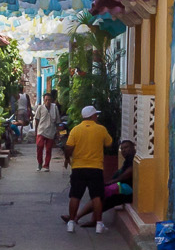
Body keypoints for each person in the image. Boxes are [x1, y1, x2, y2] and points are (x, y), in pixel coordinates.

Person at [63, 104, 112, 233]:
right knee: (96, 196)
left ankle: (71, 223)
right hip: (95, 168)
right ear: (93, 116)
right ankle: (99, 224)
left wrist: (67, 158)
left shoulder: (75, 130)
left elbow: (68, 147)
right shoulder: (101, 129)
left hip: (78, 167)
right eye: (96, 115)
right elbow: (109, 143)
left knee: (75, 195)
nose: (97, 117)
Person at [75, 139, 138, 229]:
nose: (124, 150)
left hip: (128, 190)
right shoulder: (128, 159)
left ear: (133, 147)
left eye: (126, 147)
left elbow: (129, 172)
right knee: (101, 195)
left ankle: (78, 217)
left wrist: (114, 181)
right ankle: (90, 219)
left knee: (102, 193)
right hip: (124, 188)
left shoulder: (132, 158)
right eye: (122, 148)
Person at [33, 94, 62, 172]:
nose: (48, 101)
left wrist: (58, 132)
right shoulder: (40, 108)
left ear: (51, 100)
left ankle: (46, 165)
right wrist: (36, 131)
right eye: (46, 100)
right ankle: (39, 163)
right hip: (41, 130)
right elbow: (37, 120)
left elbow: (57, 121)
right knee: (40, 146)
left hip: (51, 131)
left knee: (48, 149)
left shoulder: (54, 108)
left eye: (49, 100)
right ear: (44, 100)